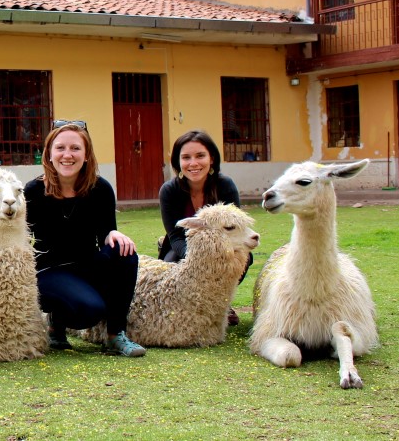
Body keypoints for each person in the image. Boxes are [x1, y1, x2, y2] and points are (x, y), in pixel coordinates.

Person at [23, 120, 146, 357]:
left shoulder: (100, 189)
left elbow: (106, 233)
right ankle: (56, 325)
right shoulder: (33, 191)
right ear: (49, 154)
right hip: (49, 271)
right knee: (89, 311)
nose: (67, 155)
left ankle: (115, 336)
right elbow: (22, 239)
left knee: (124, 251)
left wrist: (114, 233)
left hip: (86, 265)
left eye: (75, 148)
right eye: (60, 148)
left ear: (86, 154)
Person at [157, 129, 249, 325]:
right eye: (186, 157)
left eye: (200, 156)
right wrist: (197, 260)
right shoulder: (169, 191)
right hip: (183, 247)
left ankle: (222, 303)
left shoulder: (225, 186)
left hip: (223, 247)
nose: (193, 163)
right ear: (178, 162)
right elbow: (175, 236)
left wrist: (214, 256)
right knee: (171, 262)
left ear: (212, 159)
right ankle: (185, 304)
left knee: (243, 258)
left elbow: (236, 228)